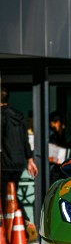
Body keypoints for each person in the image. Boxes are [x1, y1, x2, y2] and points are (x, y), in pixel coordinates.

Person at [1, 87, 39, 235]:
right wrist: (29, 159)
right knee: (13, 194)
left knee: (4, 197)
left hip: (4, 163)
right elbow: (25, 140)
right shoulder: (18, 116)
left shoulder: (1, 116)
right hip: (18, 162)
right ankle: (24, 221)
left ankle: (11, 228)